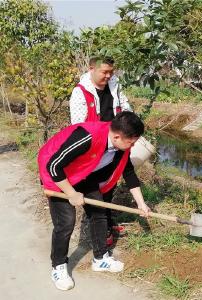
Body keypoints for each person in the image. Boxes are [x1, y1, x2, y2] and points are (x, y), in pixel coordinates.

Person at [38, 111, 151, 291]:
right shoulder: (86, 136)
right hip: (58, 175)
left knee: (99, 213)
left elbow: (128, 173)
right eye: (132, 141)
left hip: (83, 173)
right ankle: (58, 266)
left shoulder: (121, 146)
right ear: (117, 136)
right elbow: (53, 165)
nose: (134, 145)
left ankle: (100, 259)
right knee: (66, 222)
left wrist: (141, 204)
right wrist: (71, 193)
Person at [70, 56, 132, 245]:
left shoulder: (115, 87)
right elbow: (78, 126)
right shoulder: (80, 93)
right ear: (91, 69)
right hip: (94, 150)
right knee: (94, 188)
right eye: (104, 72)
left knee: (110, 184)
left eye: (111, 72)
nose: (108, 76)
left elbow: (127, 109)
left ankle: (106, 219)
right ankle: (101, 227)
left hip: (115, 145)